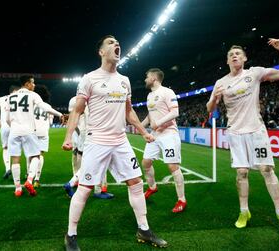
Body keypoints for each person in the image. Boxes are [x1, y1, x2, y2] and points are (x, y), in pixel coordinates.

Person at [62, 35, 167, 250]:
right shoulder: (89, 79)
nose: (116, 44)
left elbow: (128, 111)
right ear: (101, 52)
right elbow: (77, 110)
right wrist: (67, 137)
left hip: (120, 141)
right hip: (97, 141)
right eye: (110, 42)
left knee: (136, 183)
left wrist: (142, 131)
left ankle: (143, 229)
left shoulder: (124, 80)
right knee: (85, 188)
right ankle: (70, 234)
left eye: (117, 42)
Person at [206, 39, 279, 237]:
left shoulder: (254, 73)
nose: (234, 56)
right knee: (242, 173)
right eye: (231, 55)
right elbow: (210, 110)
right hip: (235, 133)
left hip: (256, 131)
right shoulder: (221, 83)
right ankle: (244, 212)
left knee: (266, 170)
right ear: (227, 61)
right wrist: (214, 99)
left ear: (244, 58)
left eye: (238, 53)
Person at [5, 75, 63, 197]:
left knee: (15, 159)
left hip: (14, 131)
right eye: (32, 82)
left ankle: (17, 189)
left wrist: (14, 126)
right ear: (26, 84)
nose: (34, 85)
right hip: (28, 131)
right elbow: (44, 107)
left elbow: (7, 119)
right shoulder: (33, 95)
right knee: (36, 156)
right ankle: (30, 180)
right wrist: (59, 114)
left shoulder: (10, 97)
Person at [141, 68, 186, 213]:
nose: (145, 79)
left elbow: (175, 112)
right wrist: (140, 126)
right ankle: (153, 187)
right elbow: (150, 116)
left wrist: (158, 122)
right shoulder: (149, 96)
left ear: (154, 78)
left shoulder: (167, 92)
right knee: (146, 162)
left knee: (172, 166)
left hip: (169, 134)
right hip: (155, 135)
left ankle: (182, 199)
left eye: (147, 77)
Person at [64, 94, 114, 199]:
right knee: (97, 162)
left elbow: (72, 115)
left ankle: (78, 184)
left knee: (84, 163)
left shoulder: (74, 100)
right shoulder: (91, 101)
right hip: (89, 135)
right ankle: (96, 190)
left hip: (79, 134)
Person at [32, 84, 61, 188]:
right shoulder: (48, 107)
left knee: (31, 155)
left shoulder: (32, 104)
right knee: (40, 155)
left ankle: (29, 176)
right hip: (43, 132)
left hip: (32, 131)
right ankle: (37, 179)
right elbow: (50, 122)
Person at [0, 85, 20, 179]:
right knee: (20, 147)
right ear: (15, 91)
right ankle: (28, 173)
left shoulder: (1, 98)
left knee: (5, 148)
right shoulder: (20, 98)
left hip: (4, 126)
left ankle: (8, 168)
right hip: (16, 125)